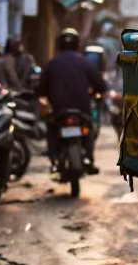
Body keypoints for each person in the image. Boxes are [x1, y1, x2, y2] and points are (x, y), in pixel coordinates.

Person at [38, 30, 107, 173]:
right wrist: (94, 92)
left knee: (51, 129)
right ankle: (88, 157)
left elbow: (41, 88)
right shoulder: (86, 63)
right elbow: (101, 85)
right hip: (81, 107)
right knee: (89, 129)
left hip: (59, 108)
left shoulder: (52, 63)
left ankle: (54, 160)